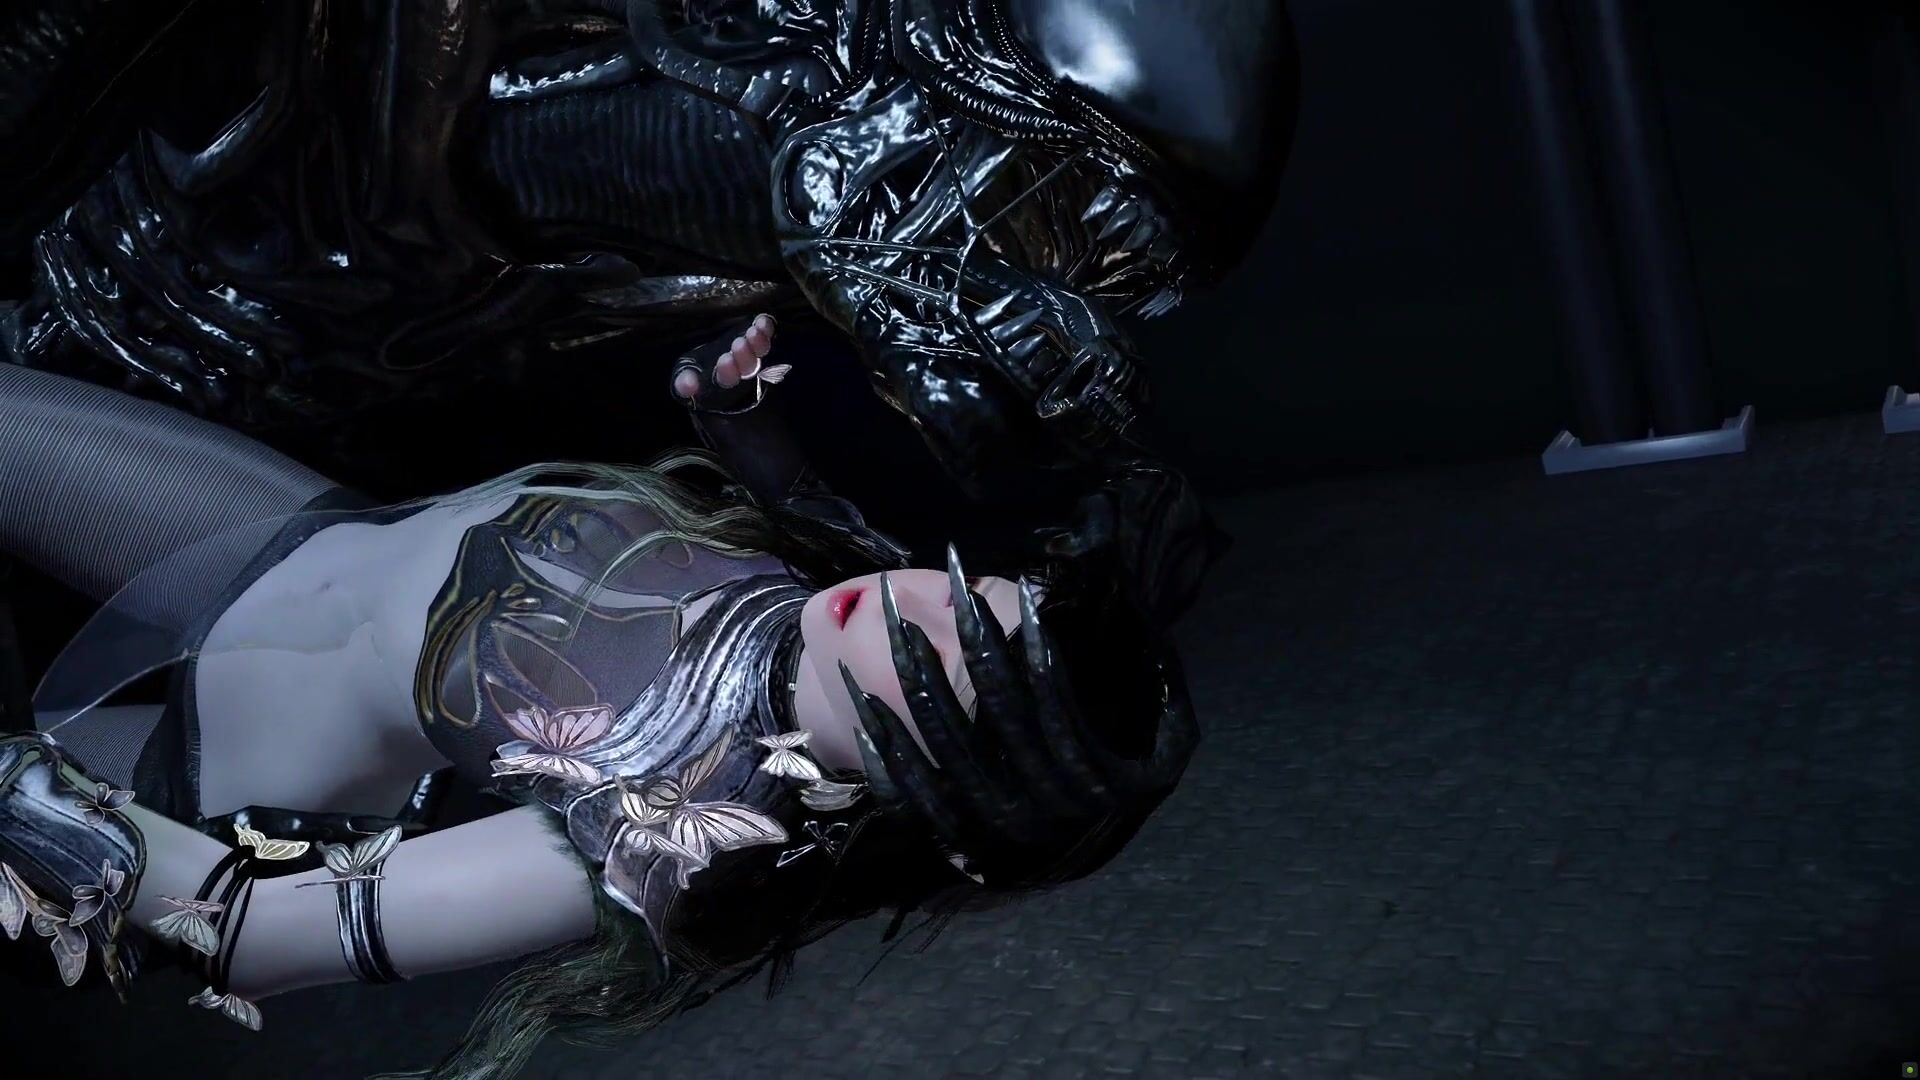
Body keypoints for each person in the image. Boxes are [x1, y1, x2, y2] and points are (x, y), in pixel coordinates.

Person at [0, 317, 1197, 1078]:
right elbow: (805, 512)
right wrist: (737, 412)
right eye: (968, 591)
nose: (911, 600)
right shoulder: (829, 601)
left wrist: (42, 811)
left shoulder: (683, 831)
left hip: (178, 795)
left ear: (932, 778)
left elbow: (260, 933)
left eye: (945, 661)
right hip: (273, 538)